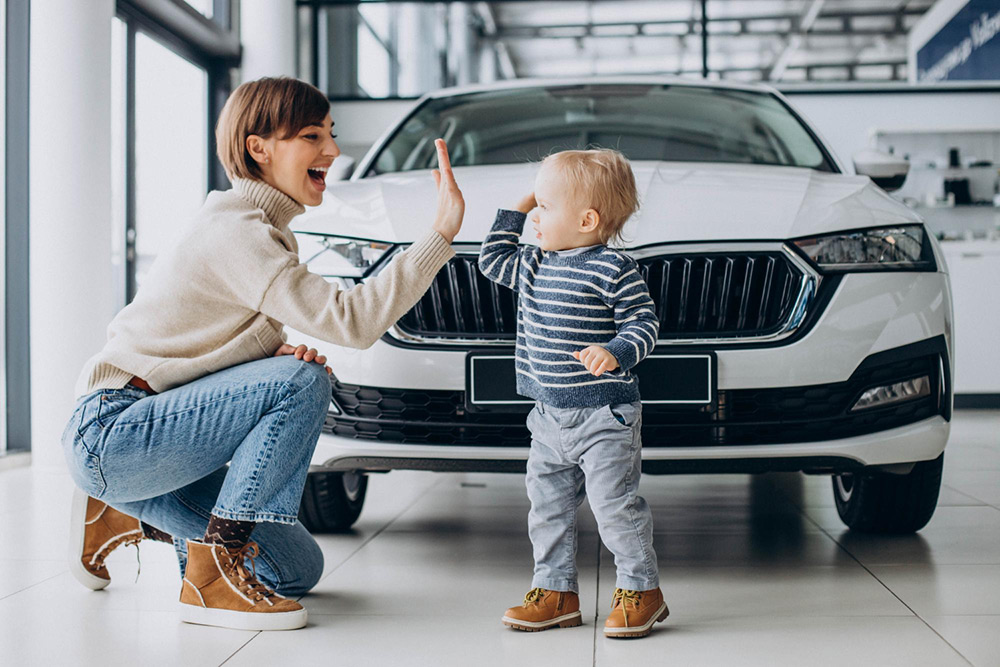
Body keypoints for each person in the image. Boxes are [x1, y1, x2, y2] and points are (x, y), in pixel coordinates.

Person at [61, 77, 465, 632]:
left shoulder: (259, 229)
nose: (332, 151)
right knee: (301, 381)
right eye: (311, 135)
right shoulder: (239, 230)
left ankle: (124, 513)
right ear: (259, 148)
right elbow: (353, 321)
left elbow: (199, 341)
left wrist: (268, 354)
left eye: (330, 133)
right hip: (114, 433)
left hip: (148, 442)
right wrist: (440, 233)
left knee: (298, 568)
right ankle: (211, 576)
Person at [478, 149, 667, 639]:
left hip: (605, 417)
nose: (535, 217)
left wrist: (617, 351)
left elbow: (644, 323)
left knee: (615, 508)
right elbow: (490, 258)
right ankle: (556, 590)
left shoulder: (612, 268)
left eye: (545, 207)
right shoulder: (533, 264)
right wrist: (518, 209)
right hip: (547, 417)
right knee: (547, 511)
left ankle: (641, 589)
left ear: (587, 220)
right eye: (536, 206)